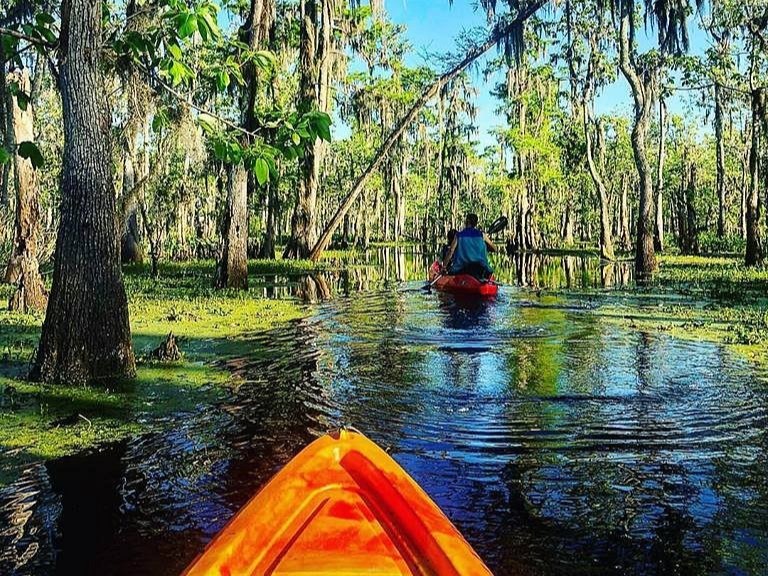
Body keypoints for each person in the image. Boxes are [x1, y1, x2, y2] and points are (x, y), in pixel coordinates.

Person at [442, 213, 498, 278]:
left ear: (467, 221)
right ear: (475, 223)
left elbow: (451, 251)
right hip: (481, 268)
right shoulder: (482, 235)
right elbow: (495, 249)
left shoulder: (458, 235)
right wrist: (485, 242)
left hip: (463, 269)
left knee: (451, 270)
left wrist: (444, 267)